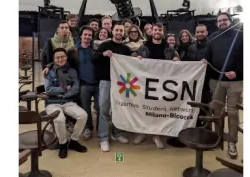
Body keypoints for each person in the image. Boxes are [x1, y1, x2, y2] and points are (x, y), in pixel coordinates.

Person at [133, 23, 179, 149]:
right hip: (146, 84)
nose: (157, 32)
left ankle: (156, 134)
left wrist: (176, 59)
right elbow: (132, 57)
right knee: (144, 108)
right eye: (155, 30)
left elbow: (177, 58)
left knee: (158, 110)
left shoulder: (169, 48)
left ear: (162, 32)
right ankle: (143, 131)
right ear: (151, 32)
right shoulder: (143, 46)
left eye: (160, 30)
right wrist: (136, 57)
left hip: (163, 85)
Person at [204, 12, 243, 158]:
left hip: (235, 82)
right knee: (217, 111)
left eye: (224, 20)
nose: (222, 23)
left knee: (233, 113)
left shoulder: (241, 35)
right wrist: (204, 61)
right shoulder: (213, 38)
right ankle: (218, 138)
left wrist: (238, 72)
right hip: (217, 81)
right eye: (219, 21)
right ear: (216, 23)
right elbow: (208, 57)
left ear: (230, 21)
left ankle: (232, 142)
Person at [92, 23, 132, 152]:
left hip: (121, 83)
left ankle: (117, 133)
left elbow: (131, 64)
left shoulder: (126, 49)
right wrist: (103, 54)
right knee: (104, 109)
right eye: (117, 30)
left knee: (119, 108)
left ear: (123, 32)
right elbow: (94, 58)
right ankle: (103, 137)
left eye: (121, 30)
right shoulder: (105, 45)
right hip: (106, 81)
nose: (119, 32)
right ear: (112, 32)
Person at [44, 48, 88, 159]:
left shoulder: (73, 71)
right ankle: (62, 143)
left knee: (83, 115)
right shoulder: (49, 72)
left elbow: (76, 88)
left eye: (62, 56)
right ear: (53, 59)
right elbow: (48, 89)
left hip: (68, 101)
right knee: (59, 119)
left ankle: (74, 141)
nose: (60, 59)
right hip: (52, 103)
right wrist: (65, 89)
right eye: (57, 57)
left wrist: (63, 94)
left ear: (66, 57)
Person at [67, 26, 100, 140]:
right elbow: (61, 61)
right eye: (85, 34)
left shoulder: (96, 50)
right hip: (83, 84)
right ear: (81, 36)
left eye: (89, 35)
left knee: (99, 107)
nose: (87, 37)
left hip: (97, 84)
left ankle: (100, 129)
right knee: (85, 108)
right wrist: (48, 66)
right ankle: (88, 128)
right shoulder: (73, 50)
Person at [185, 24, 211, 126]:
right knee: (194, 107)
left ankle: (207, 131)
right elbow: (187, 63)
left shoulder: (211, 45)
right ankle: (195, 128)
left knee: (206, 107)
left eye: (202, 32)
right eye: (198, 32)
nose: (200, 34)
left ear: (206, 32)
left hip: (206, 83)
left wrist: (208, 63)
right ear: (195, 33)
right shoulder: (191, 48)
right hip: (194, 83)